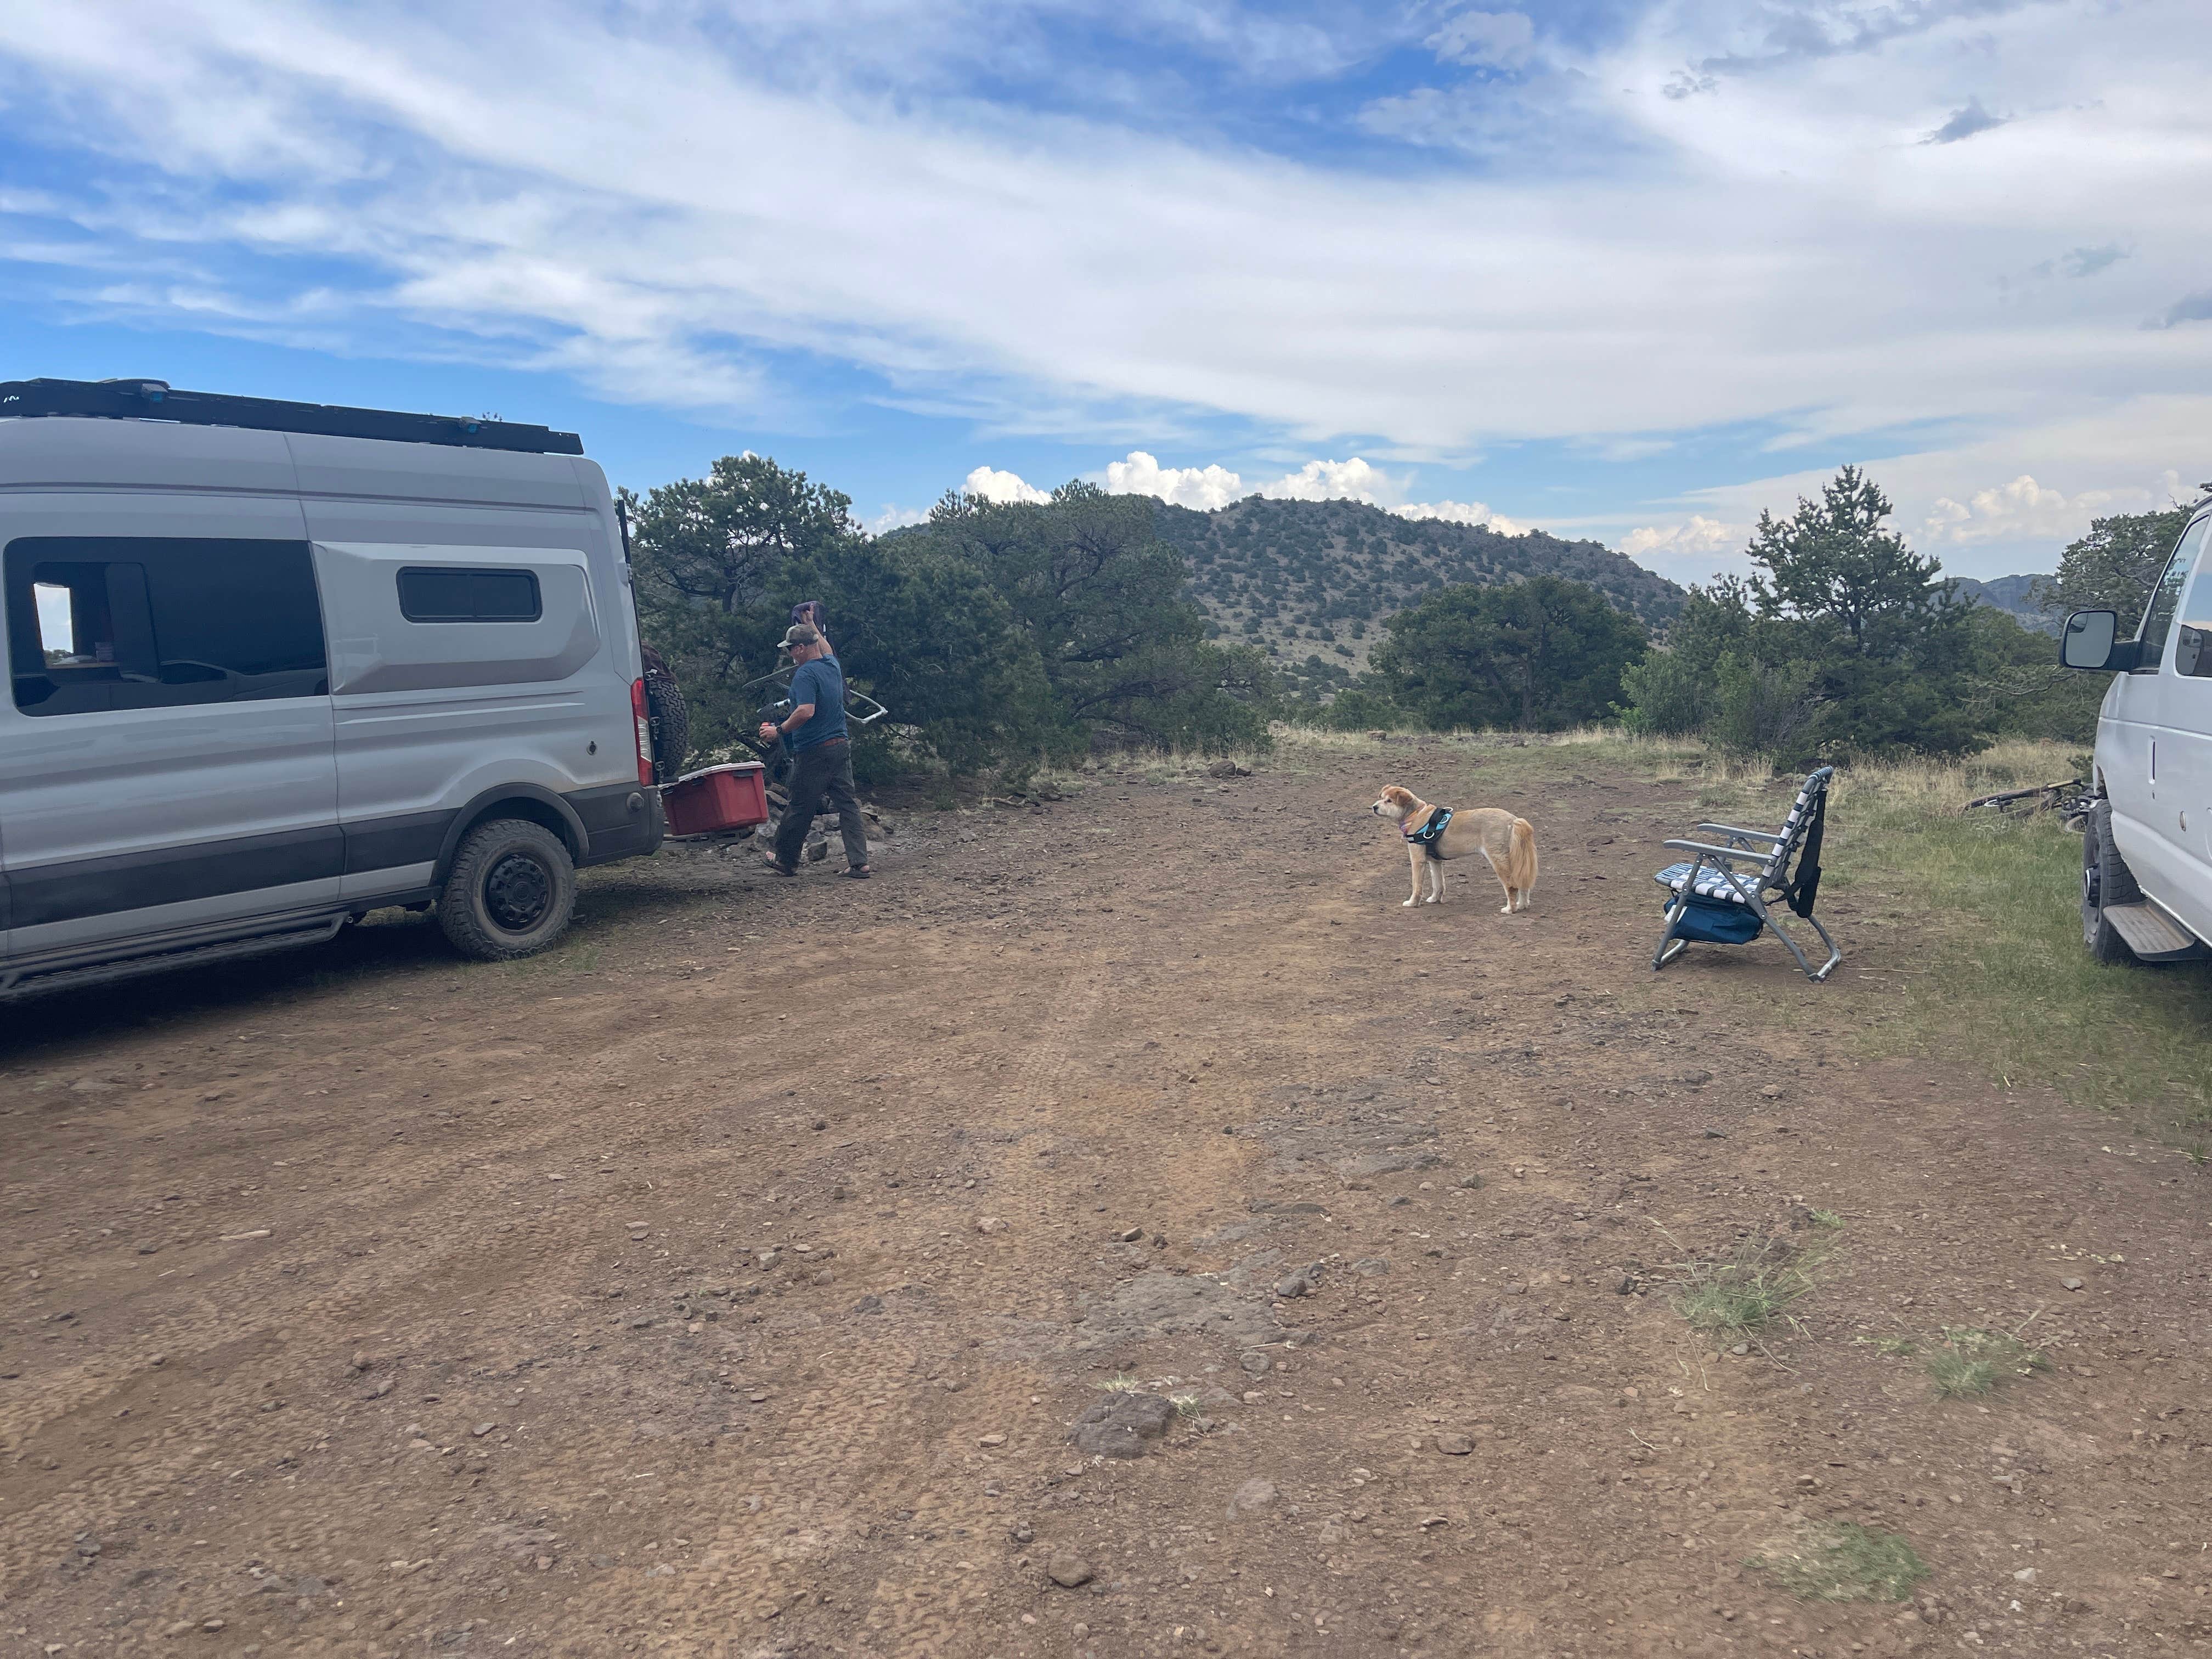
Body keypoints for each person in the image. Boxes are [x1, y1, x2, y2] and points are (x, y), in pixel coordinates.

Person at [759, 622, 871, 879]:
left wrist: (779, 731)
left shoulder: (805, 675)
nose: (789, 654)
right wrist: (811, 624)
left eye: (790, 649)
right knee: (848, 805)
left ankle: (785, 861)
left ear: (799, 649)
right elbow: (827, 648)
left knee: (799, 806)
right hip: (840, 747)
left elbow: (805, 712)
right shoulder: (832, 666)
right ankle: (859, 863)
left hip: (813, 751)